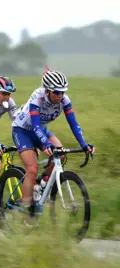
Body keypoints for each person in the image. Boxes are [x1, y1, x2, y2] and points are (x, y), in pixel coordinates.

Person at [11, 68, 94, 220]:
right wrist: (46, 144)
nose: (60, 96)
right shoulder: (37, 97)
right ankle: (25, 209)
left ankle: (41, 182)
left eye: (63, 92)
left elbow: (74, 124)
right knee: (31, 168)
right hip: (22, 131)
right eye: (57, 92)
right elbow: (35, 125)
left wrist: (83, 144)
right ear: (48, 90)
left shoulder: (65, 100)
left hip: (41, 131)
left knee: (61, 155)